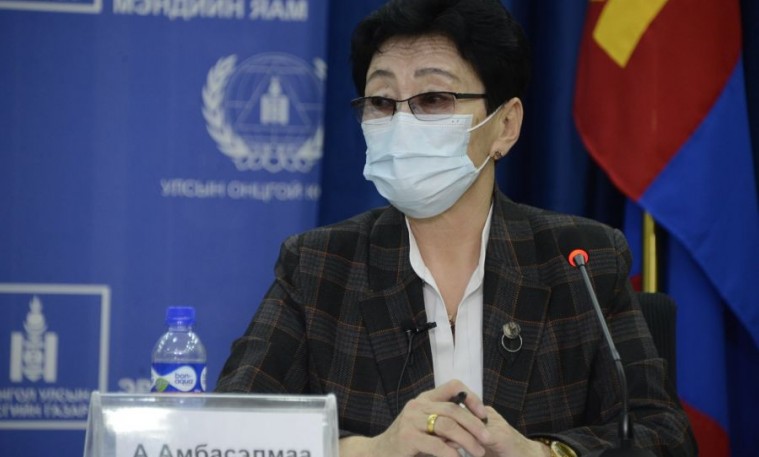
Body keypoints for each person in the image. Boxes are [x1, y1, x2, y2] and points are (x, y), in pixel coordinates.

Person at [216, 0, 697, 455]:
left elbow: (664, 436)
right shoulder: (319, 266)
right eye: (381, 101)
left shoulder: (580, 260)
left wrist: (542, 452)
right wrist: (369, 450)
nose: (402, 122)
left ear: (505, 125)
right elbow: (228, 430)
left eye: (433, 98)